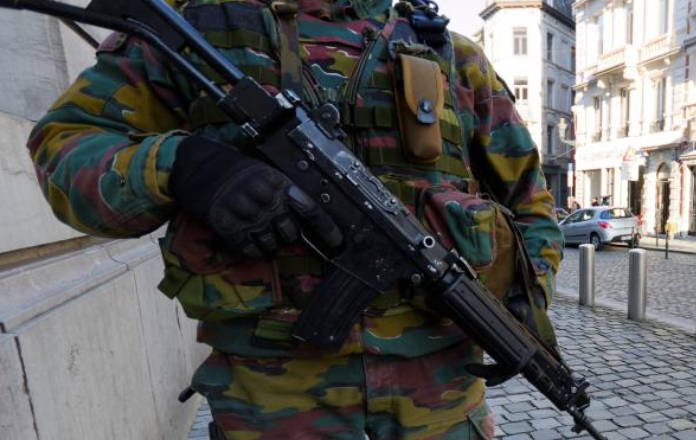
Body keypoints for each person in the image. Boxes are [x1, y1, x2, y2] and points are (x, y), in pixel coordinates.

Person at [26, 1, 563, 438]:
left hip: (443, 408)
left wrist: (522, 297)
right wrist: (186, 167)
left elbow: (531, 205)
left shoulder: (450, 55)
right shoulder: (198, 30)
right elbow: (66, 150)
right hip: (274, 408)